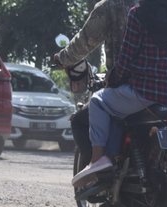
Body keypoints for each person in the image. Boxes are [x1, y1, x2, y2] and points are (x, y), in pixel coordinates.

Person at [72, 0, 167, 189]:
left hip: (145, 95)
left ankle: (97, 158)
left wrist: (114, 79)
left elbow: (126, 58)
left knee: (98, 101)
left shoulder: (138, 14)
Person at [54, 0, 137, 171]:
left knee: (79, 120)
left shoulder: (114, 6)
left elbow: (85, 41)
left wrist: (63, 58)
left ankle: (97, 172)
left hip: (128, 88)